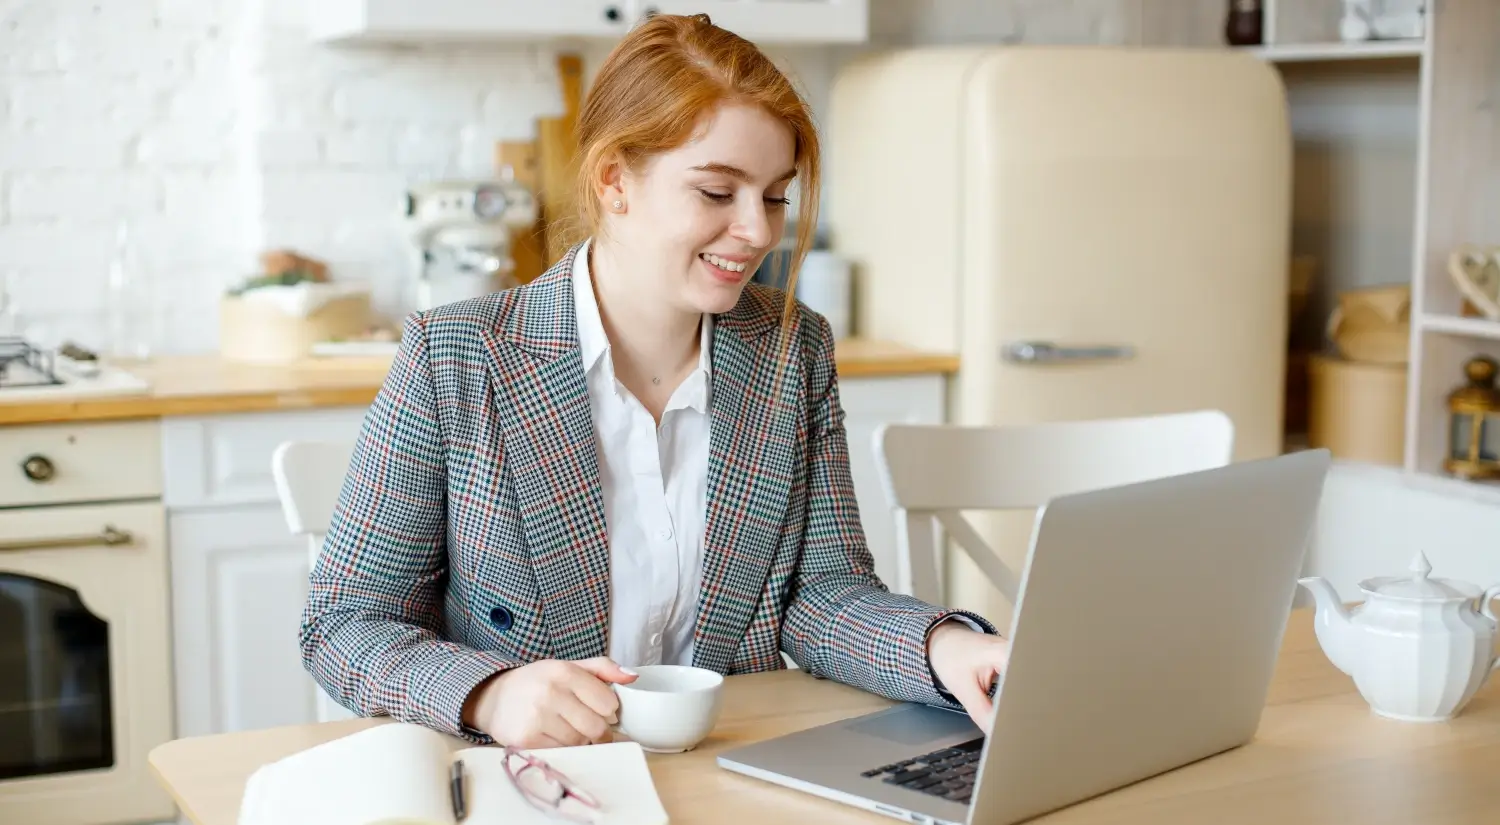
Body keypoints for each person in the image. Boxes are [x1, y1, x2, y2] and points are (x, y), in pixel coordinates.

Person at [299, 13, 1008, 751]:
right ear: (614, 181)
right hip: (536, 782)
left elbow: (823, 595)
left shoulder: (791, 349)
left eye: (773, 196)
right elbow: (344, 623)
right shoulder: (454, 357)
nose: (760, 232)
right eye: (716, 192)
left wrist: (947, 649)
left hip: (728, 771)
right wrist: (488, 693)